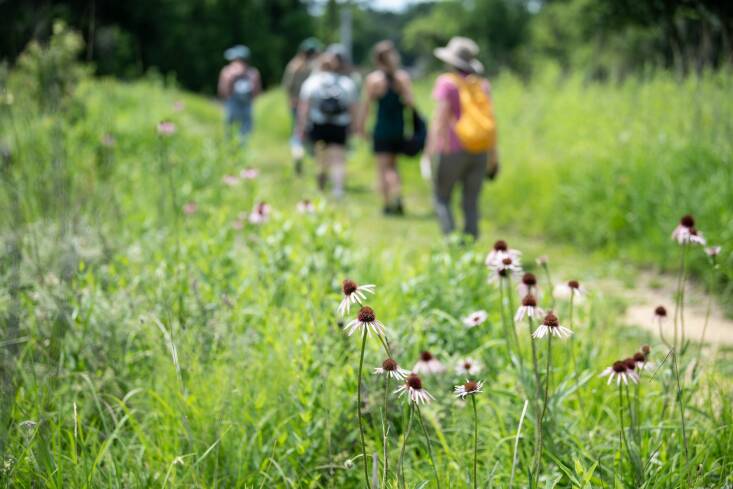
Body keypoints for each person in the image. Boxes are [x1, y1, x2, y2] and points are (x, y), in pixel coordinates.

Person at [426, 36, 499, 239]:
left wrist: (430, 150)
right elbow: (491, 121)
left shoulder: (447, 83)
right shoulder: (482, 85)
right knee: (471, 201)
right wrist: (493, 155)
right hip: (480, 149)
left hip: (452, 149)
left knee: (441, 197)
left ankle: (451, 241)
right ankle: (471, 245)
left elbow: (440, 118)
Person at [358, 40, 414, 215]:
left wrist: (360, 127)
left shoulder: (373, 80)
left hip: (382, 129)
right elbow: (411, 103)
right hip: (398, 128)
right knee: (394, 167)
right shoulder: (402, 78)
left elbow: (366, 106)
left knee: (382, 168)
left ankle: (387, 203)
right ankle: (397, 195)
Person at [297, 52, 358, 199]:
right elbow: (353, 106)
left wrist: (302, 126)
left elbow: (304, 107)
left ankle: (321, 185)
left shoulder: (312, 82)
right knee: (338, 158)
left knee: (320, 156)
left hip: (319, 124)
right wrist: (354, 125)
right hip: (340, 124)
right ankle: (338, 189)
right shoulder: (346, 82)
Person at [282, 38, 323, 174]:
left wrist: (291, 99)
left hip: (296, 103)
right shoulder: (318, 66)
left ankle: (297, 152)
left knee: (297, 131)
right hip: (313, 105)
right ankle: (314, 158)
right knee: (312, 131)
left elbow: (287, 86)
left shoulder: (294, 65)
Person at [218, 45, 261, 142]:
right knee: (245, 131)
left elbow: (222, 90)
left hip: (233, 104)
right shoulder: (253, 72)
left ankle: (231, 149)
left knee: (230, 129)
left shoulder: (227, 71)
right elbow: (257, 92)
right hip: (246, 105)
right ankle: (241, 149)